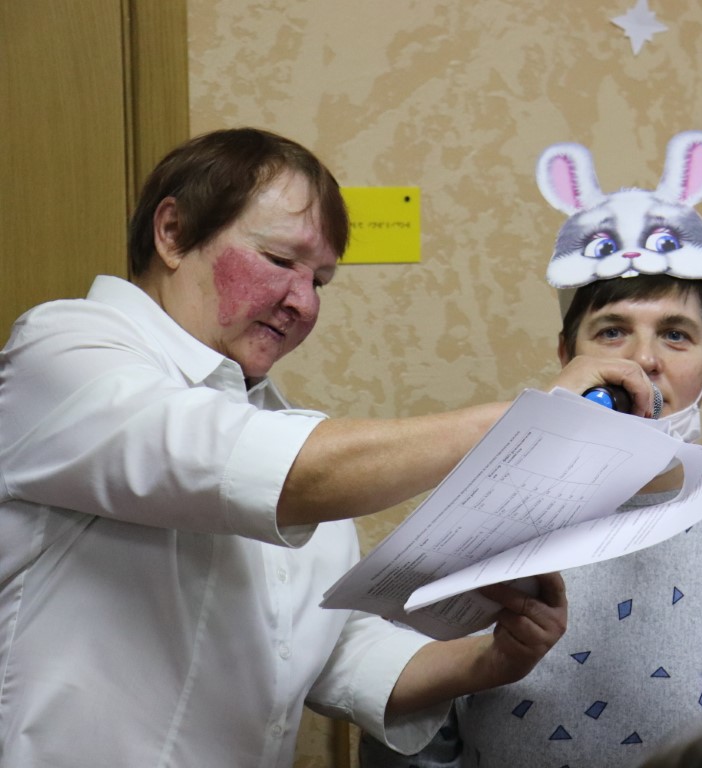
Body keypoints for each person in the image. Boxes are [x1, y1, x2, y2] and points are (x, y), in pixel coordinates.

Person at [0, 127, 661, 767]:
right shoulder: (63, 355)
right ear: (173, 232)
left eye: (319, 280)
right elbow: (257, 467)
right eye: (279, 261)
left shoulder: (275, 420)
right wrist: (527, 422)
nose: (302, 303)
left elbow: (334, 655)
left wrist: (493, 659)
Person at [360, 131, 702, 766]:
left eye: (676, 335)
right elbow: (406, 728)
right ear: (566, 357)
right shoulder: (479, 507)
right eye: (613, 331)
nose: (644, 359)